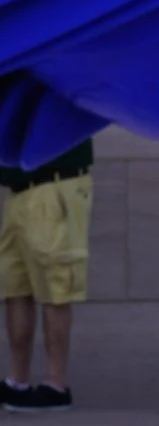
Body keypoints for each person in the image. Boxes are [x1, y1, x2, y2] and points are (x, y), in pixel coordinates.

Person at [0, 140, 94, 411]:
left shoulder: (53, 94)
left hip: (54, 186)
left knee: (56, 287)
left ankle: (56, 385)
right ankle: (16, 381)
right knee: (15, 288)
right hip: (18, 190)